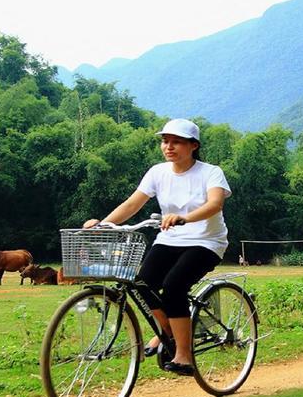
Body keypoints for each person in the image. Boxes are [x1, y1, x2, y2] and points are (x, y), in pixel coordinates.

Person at [83, 118, 231, 376]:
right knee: (142, 283)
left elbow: (215, 204)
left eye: (176, 142)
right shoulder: (157, 172)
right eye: (165, 141)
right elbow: (132, 205)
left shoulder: (210, 172)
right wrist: (103, 225)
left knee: (174, 286)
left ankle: (184, 356)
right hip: (169, 238)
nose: (168, 147)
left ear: (193, 145)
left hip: (206, 241)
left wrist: (184, 217)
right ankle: (167, 333)